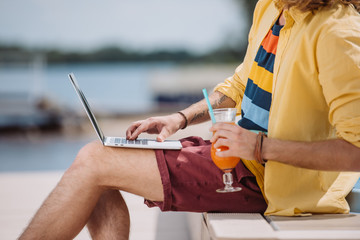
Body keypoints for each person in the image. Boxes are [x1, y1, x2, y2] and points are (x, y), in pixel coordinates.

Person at [20, 0, 360, 239]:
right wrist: (180, 118)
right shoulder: (272, 7)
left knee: (95, 161)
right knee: (99, 162)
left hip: (271, 183)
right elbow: (241, 83)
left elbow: (355, 151)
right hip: (238, 157)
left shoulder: (337, 33)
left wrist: (259, 146)